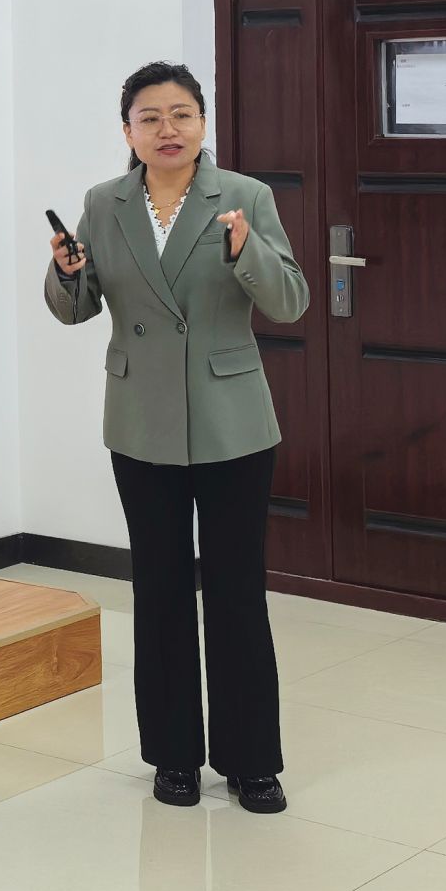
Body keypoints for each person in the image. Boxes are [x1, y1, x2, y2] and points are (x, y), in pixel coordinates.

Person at [44, 60, 309, 813]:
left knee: (235, 590)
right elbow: (77, 306)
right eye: (150, 117)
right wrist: (65, 272)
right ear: (127, 130)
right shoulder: (103, 203)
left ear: (203, 123)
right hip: (140, 420)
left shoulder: (245, 197)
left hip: (233, 421)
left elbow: (291, 300)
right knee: (158, 590)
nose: (168, 129)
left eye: (182, 114)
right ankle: (173, 756)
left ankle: (251, 760)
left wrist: (248, 253)